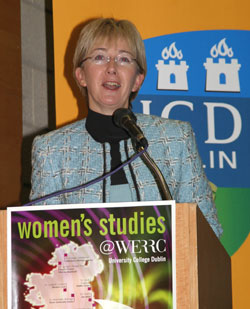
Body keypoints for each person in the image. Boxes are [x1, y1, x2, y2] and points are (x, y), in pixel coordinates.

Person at [30, 18, 223, 238]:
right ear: (81, 75)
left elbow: (208, 232)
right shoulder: (51, 151)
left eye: (123, 59)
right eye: (100, 57)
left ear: (137, 80)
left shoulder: (176, 140)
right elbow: (41, 240)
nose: (111, 68)